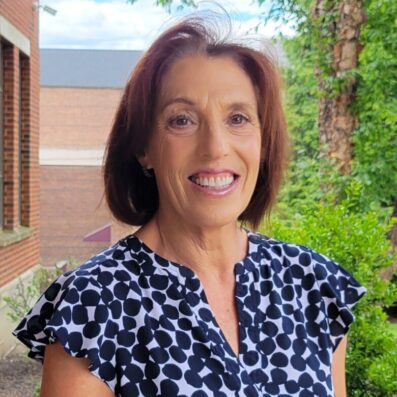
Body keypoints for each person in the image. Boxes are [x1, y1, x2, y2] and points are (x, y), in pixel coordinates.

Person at [13, 14, 366, 397]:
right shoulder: (95, 305)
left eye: (238, 118)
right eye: (182, 120)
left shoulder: (310, 284)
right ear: (144, 148)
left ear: (263, 144)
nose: (215, 146)